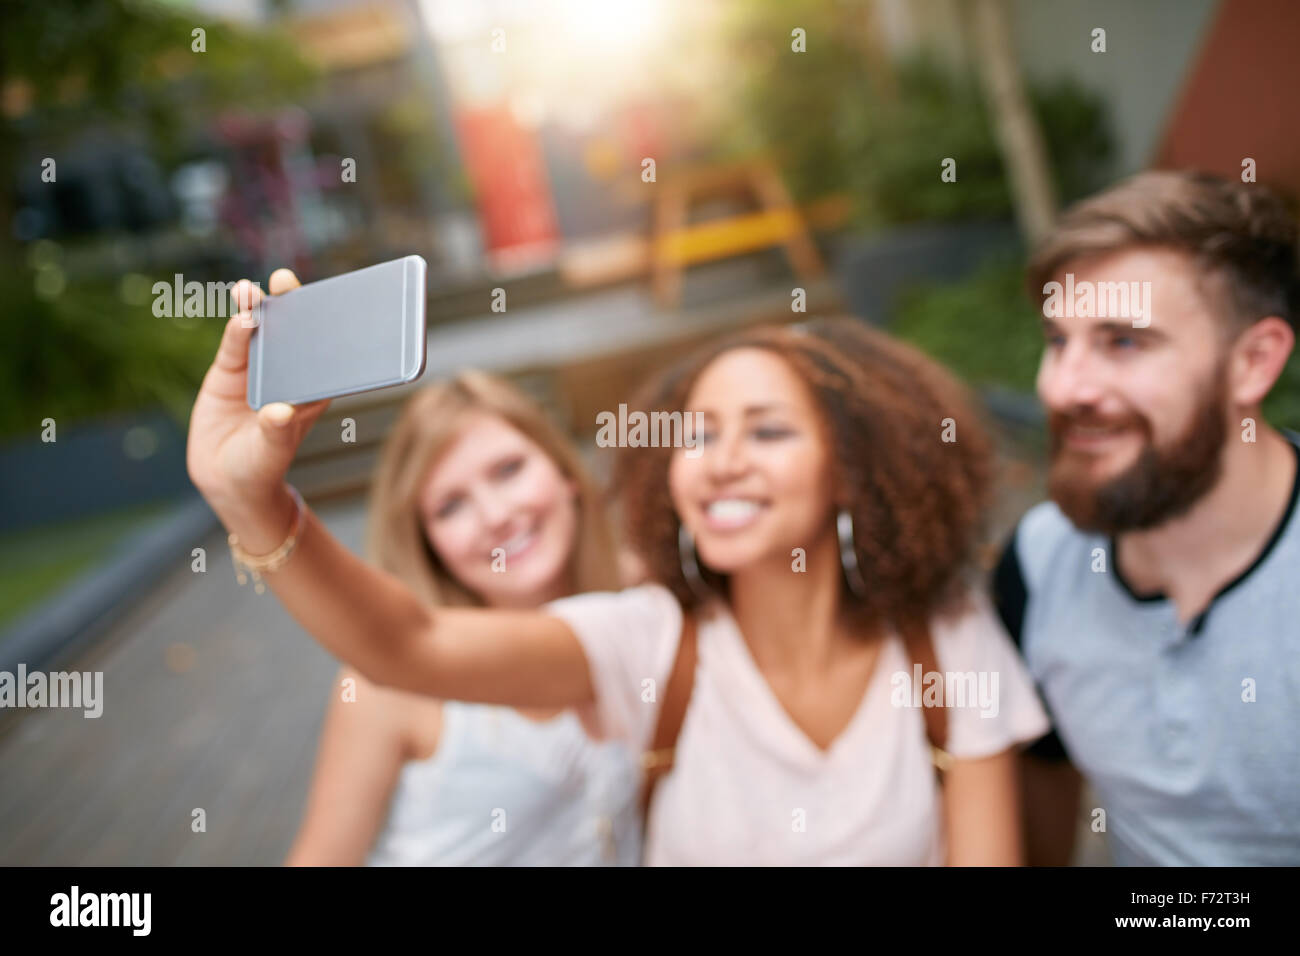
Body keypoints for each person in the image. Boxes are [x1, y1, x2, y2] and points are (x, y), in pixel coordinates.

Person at [188, 274, 1049, 865]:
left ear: (852, 468)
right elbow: (406, 642)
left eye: (770, 430)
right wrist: (257, 505)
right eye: (699, 434)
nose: (722, 460)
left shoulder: (948, 638)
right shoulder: (645, 641)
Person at [994, 170, 1300, 865]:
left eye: (1123, 342)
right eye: (1057, 340)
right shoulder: (1036, 568)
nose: (1064, 388)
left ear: (1252, 362)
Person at [281, 372, 643, 865]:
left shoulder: (642, 603)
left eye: (509, 470)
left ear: (563, 472)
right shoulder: (387, 686)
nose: (495, 515)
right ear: (427, 545)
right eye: (451, 506)